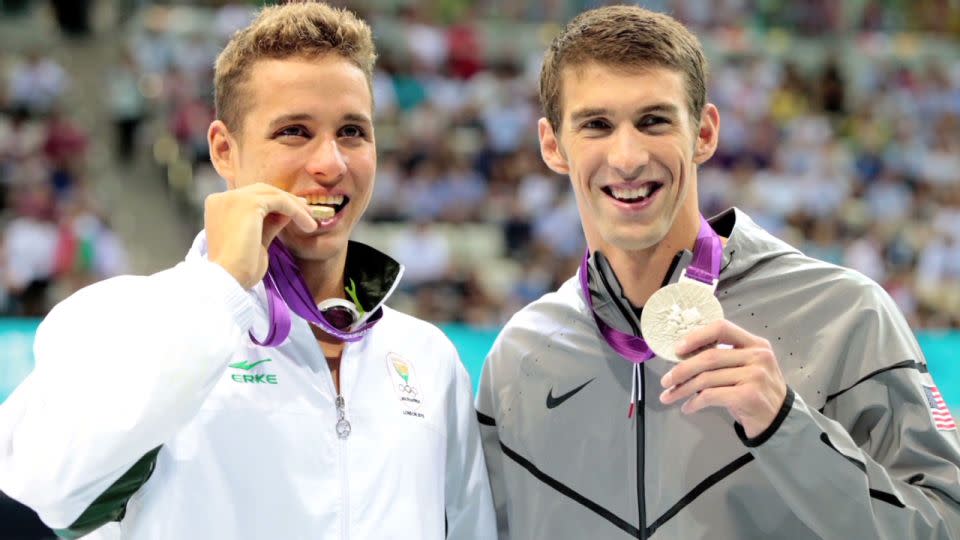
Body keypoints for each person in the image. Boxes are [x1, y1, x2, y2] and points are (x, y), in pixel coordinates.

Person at [0, 3, 495, 539]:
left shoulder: (427, 359)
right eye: (294, 132)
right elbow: (36, 493)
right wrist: (221, 291)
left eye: (352, 131)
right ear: (223, 150)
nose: (331, 163)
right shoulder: (119, 319)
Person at [476, 6, 960, 540]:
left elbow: (945, 525)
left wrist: (785, 426)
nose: (628, 156)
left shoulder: (844, 315)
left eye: (654, 120)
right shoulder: (519, 359)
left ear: (704, 133)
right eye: (597, 125)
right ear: (552, 144)